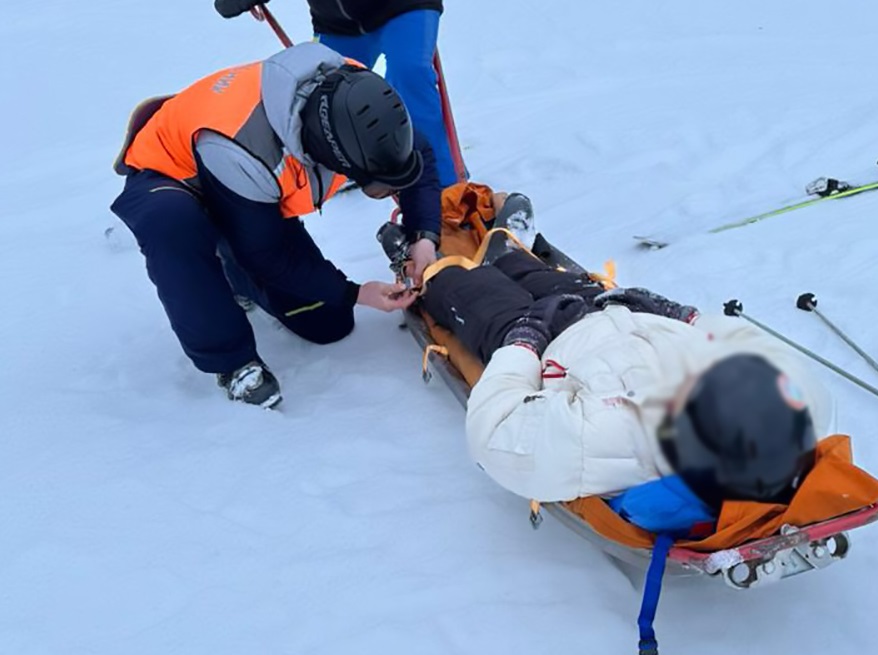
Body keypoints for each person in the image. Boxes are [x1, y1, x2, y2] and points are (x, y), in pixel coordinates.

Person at [416, 206, 834, 533]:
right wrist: (686, 317)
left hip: (549, 341)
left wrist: (524, 342)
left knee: (470, 291)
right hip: (616, 312)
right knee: (552, 280)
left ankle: (433, 266)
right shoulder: (781, 408)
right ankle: (508, 255)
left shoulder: (611, 436)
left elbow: (496, 428)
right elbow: (774, 360)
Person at [110, 41, 443, 408]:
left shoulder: (363, 100)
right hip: (174, 173)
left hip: (241, 184)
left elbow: (418, 158)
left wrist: (423, 237)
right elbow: (268, 254)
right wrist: (355, 291)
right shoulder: (251, 150)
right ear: (327, 156)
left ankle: (235, 271)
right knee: (174, 226)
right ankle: (233, 362)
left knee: (329, 323)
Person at [214, 0, 463, 186]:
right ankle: (351, 162)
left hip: (404, 7)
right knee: (320, 93)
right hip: (338, 23)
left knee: (409, 73)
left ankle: (443, 185)